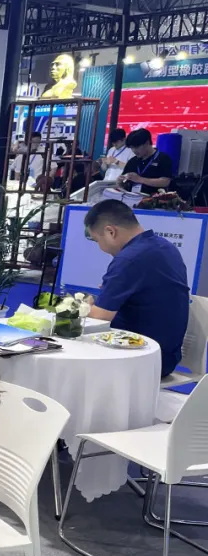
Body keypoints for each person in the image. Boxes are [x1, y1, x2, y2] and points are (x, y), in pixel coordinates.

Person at [84, 200, 190, 377]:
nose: (100, 247)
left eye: (97, 240)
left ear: (110, 232)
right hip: (166, 355)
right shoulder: (165, 246)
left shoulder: (129, 259)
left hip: (141, 357)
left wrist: (85, 307)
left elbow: (99, 317)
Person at [119, 128, 173, 194]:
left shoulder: (162, 158)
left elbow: (165, 182)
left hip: (154, 197)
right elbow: (124, 182)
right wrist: (120, 182)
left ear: (147, 143)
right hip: (132, 197)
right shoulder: (132, 161)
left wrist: (140, 179)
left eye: (136, 147)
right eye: (132, 147)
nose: (134, 150)